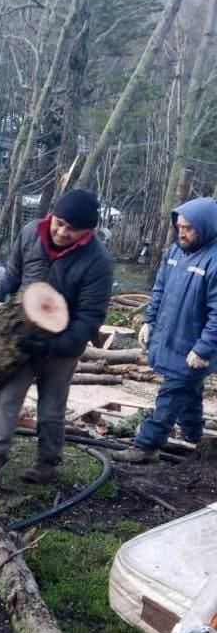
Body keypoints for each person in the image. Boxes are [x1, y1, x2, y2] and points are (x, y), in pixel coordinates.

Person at [0, 189, 114, 485]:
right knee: (7, 395)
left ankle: (47, 462)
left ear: (88, 231)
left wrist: (55, 346)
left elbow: (89, 318)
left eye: (71, 229)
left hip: (64, 340)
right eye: (59, 222)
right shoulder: (32, 232)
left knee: (52, 404)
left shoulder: (98, 261)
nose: (61, 231)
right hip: (20, 331)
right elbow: (13, 275)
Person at [115, 197, 217, 463]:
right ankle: (195, 435)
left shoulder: (214, 261)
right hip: (171, 336)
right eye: (179, 226)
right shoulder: (174, 253)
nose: (182, 232)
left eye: (189, 228)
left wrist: (204, 348)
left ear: (206, 227)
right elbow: (159, 290)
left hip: (194, 345)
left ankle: (146, 446)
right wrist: (149, 321)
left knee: (171, 394)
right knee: (189, 389)